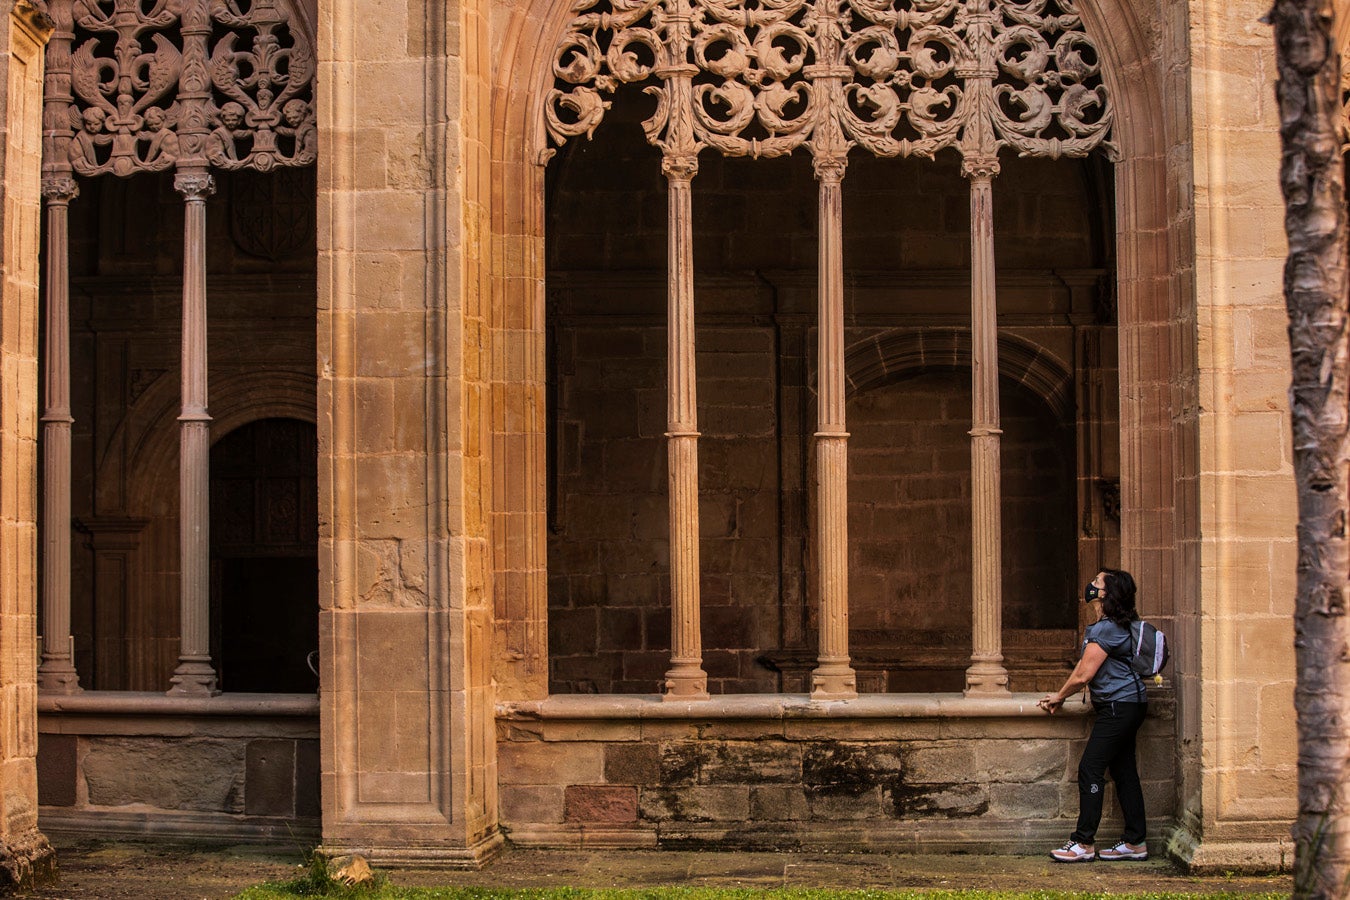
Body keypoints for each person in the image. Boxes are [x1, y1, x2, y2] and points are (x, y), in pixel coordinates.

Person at [1038, 568, 1150, 863]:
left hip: (1118, 706)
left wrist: (1059, 696)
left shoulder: (1105, 630)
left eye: (1097, 582)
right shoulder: (1120, 625)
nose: (1091, 584)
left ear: (1106, 593)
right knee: (1124, 770)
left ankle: (1083, 843)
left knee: (1090, 768)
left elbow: (1084, 674)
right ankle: (1135, 842)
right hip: (1132, 704)